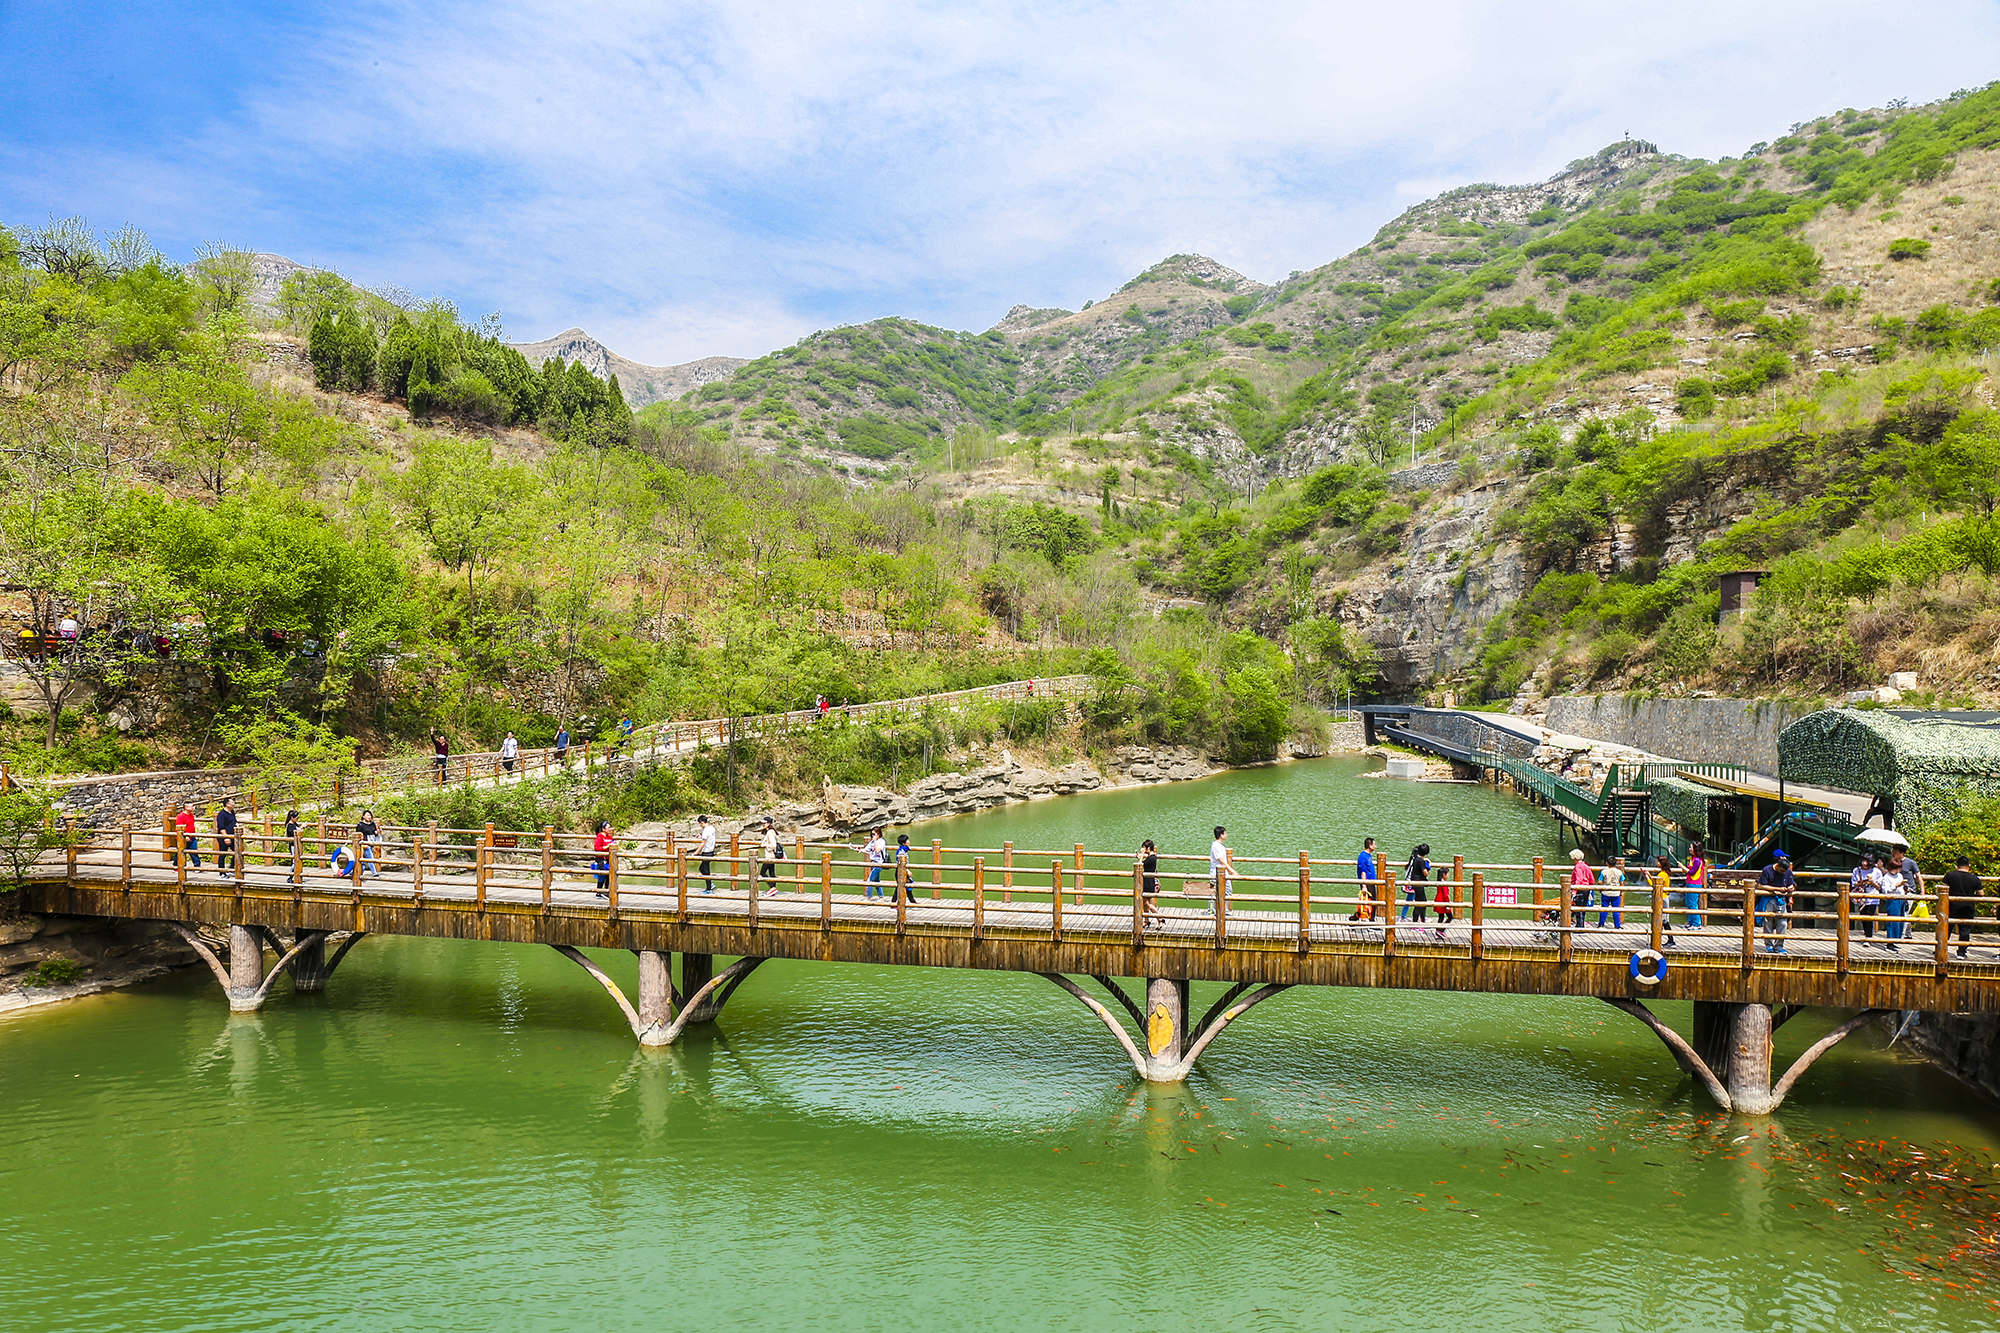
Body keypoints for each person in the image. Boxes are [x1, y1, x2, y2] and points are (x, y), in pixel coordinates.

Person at [1757, 851, 1796, 954]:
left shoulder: (1787, 871)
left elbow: (1792, 883)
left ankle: (1779, 946)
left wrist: (1790, 888)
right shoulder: (1767, 870)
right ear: (1777, 865)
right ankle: (1769, 945)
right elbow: (1761, 885)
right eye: (1781, 870)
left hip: (1781, 900)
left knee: (1783, 923)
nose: (1783, 872)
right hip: (1768, 899)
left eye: (1785, 871)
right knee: (1767, 922)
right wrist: (1776, 889)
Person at [1945, 855, 1983, 959]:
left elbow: (1943, 888)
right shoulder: (1975, 878)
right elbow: (1981, 893)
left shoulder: (1950, 875)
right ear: (1969, 866)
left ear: (1957, 865)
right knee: (1965, 930)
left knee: (1946, 928)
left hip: (1952, 905)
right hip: (1968, 906)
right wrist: (1972, 897)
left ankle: (1941, 948)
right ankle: (1961, 952)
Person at [1880, 856, 1909, 950]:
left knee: (1901, 921)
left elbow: (1902, 886)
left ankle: (1896, 940)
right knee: (1893, 921)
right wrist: (1895, 887)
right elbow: (1885, 891)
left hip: (1901, 898)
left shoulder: (1900, 876)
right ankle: (1889, 943)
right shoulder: (1886, 877)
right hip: (1892, 900)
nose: (1897, 871)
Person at [1850, 855, 1882, 940]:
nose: (1864, 863)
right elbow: (1853, 884)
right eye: (1863, 861)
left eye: (1866, 861)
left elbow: (1879, 887)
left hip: (1873, 896)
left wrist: (1871, 882)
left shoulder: (1877, 871)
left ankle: (1869, 936)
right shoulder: (1857, 870)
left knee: (1869, 916)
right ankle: (1866, 934)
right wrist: (1860, 883)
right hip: (1861, 896)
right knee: (1863, 916)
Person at [1682, 841, 1708, 935]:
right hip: (1689, 882)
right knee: (1688, 903)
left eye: (1691, 847)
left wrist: (1682, 867)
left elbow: (1691, 872)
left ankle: (1697, 924)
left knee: (1693, 904)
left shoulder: (1697, 860)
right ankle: (1691, 921)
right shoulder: (1693, 859)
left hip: (1695, 883)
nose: (1689, 849)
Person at [1209, 826, 1236, 915]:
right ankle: (1218, 911)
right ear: (1221, 835)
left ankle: (1223, 911)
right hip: (1217, 873)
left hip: (1223, 872)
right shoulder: (1216, 846)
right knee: (1223, 891)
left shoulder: (1219, 845)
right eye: (1225, 833)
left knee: (1225, 891)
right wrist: (1231, 870)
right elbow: (1221, 860)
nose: (1226, 835)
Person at [1402, 844, 1431, 924]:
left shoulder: (1415, 858)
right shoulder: (1421, 861)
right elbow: (1426, 873)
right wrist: (1429, 866)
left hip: (1415, 882)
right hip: (1418, 883)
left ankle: (1421, 921)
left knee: (1421, 902)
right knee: (1420, 903)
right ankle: (1417, 923)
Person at [1354, 836, 1379, 922]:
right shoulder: (1363, 857)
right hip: (1367, 882)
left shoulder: (1368, 856)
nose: (1375, 846)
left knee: (1368, 901)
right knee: (1372, 902)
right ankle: (1371, 921)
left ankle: (1354, 918)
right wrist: (1364, 885)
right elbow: (1363, 871)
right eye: (1374, 844)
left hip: (1370, 882)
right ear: (1370, 845)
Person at [1597, 856, 1625, 930]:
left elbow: (1600, 881)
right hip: (1616, 893)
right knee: (1616, 909)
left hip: (1606, 892)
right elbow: (1622, 882)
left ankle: (1601, 924)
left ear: (1607, 863)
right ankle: (1617, 925)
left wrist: (1600, 888)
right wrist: (1621, 891)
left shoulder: (1603, 872)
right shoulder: (1619, 872)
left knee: (1604, 908)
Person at [1651, 857, 1675, 945]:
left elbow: (1654, 885)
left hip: (1662, 898)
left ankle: (1662, 940)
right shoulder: (1665, 873)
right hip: (1665, 897)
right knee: (1664, 921)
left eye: (1658, 862)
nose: (1656, 863)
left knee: (1662, 920)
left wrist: (1647, 878)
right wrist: (1649, 876)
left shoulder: (1661, 874)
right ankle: (1669, 940)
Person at [1567, 849, 1595, 923]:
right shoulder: (1586, 866)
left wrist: (1574, 891)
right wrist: (1590, 886)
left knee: (1578, 907)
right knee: (1583, 907)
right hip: (1586, 888)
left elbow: (1579, 879)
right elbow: (1592, 879)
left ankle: (1579, 926)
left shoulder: (1578, 867)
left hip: (1580, 888)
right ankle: (1581, 924)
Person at [214, 797, 238, 878]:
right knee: (223, 854)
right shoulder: (222, 814)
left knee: (237, 851)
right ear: (227, 804)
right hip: (224, 837)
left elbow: (234, 821)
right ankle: (222, 872)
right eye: (232, 802)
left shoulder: (232, 812)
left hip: (233, 836)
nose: (233, 804)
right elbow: (221, 827)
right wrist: (226, 837)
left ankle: (232, 868)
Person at [1140, 839, 1161, 927]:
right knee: (1145, 902)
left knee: (1147, 903)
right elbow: (1146, 863)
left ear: (1148, 848)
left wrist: (1141, 855)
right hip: (1148, 881)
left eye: (1144, 848)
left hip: (1148, 882)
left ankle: (1160, 918)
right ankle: (1146, 920)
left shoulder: (1151, 858)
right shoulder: (1152, 857)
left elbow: (1140, 865)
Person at [863, 827, 888, 899]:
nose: (872, 835)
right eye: (871, 834)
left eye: (874, 834)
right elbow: (866, 850)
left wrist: (875, 841)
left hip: (878, 863)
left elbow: (877, 850)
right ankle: (881, 897)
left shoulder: (882, 841)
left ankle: (868, 897)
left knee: (870, 880)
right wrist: (859, 850)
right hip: (872, 862)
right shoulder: (871, 842)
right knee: (877, 881)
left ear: (878, 834)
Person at [760, 817, 782, 895]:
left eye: (764, 823)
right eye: (762, 823)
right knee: (772, 873)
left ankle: (772, 887)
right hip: (771, 855)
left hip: (770, 856)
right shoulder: (770, 832)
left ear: (769, 823)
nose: (763, 825)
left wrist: (765, 845)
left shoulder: (770, 833)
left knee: (763, 872)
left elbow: (773, 845)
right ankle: (773, 890)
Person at [174, 802, 201, 869]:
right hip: (183, 837)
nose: (193, 808)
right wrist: (185, 836)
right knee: (179, 852)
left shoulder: (191, 815)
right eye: (191, 806)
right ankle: (176, 866)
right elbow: (179, 827)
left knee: (194, 852)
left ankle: (197, 866)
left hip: (192, 836)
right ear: (186, 807)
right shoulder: (180, 816)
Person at [592, 820, 614, 897]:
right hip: (601, 859)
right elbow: (597, 848)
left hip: (609, 858)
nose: (610, 829)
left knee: (609, 875)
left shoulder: (609, 837)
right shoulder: (599, 837)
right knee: (602, 875)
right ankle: (599, 891)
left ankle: (606, 890)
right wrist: (606, 847)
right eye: (608, 828)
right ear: (603, 829)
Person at [356, 808, 380, 879]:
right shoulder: (360, 825)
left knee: (362, 861)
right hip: (365, 844)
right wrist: (363, 844)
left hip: (371, 842)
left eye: (370, 815)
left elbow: (374, 832)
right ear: (363, 816)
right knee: (370, 858)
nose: (369, 817)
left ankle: (355, 873)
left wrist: (377, 832)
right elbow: (358, 835)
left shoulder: (372, 823)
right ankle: (374, 872)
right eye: (367, 815)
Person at [893, 834, 916, 905]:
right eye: (907, 840)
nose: (909, 841)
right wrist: (907, 870)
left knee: (907, 886)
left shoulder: (905, 849)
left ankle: (913, 902)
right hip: (901, 871)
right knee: (900, 888)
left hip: (903, 870)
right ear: (904, 843)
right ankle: (893, 904)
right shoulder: (901, 851)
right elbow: (900, 862)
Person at [697, 814, 717, 893]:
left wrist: (695, 853)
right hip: (711, 851)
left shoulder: (705, 830)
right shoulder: (712, 828)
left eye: (700, 824)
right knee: (702, 869)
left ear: (702, 822)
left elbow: (703, 843)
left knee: (706, 870)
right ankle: (710, 884)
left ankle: (709, 889)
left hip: (706, 852)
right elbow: (708, 837)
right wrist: (701, 836)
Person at [283, 809, 302, 884]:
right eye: (297, 818)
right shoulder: (289, 826)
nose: (297, 819)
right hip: (293, 845)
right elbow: (294, 833)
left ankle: (297, 877)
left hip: (297, 845)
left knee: (298, 860)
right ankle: (290, 876)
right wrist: (302, 828)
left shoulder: (294, 824)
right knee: (295, 861)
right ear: (292, 817)